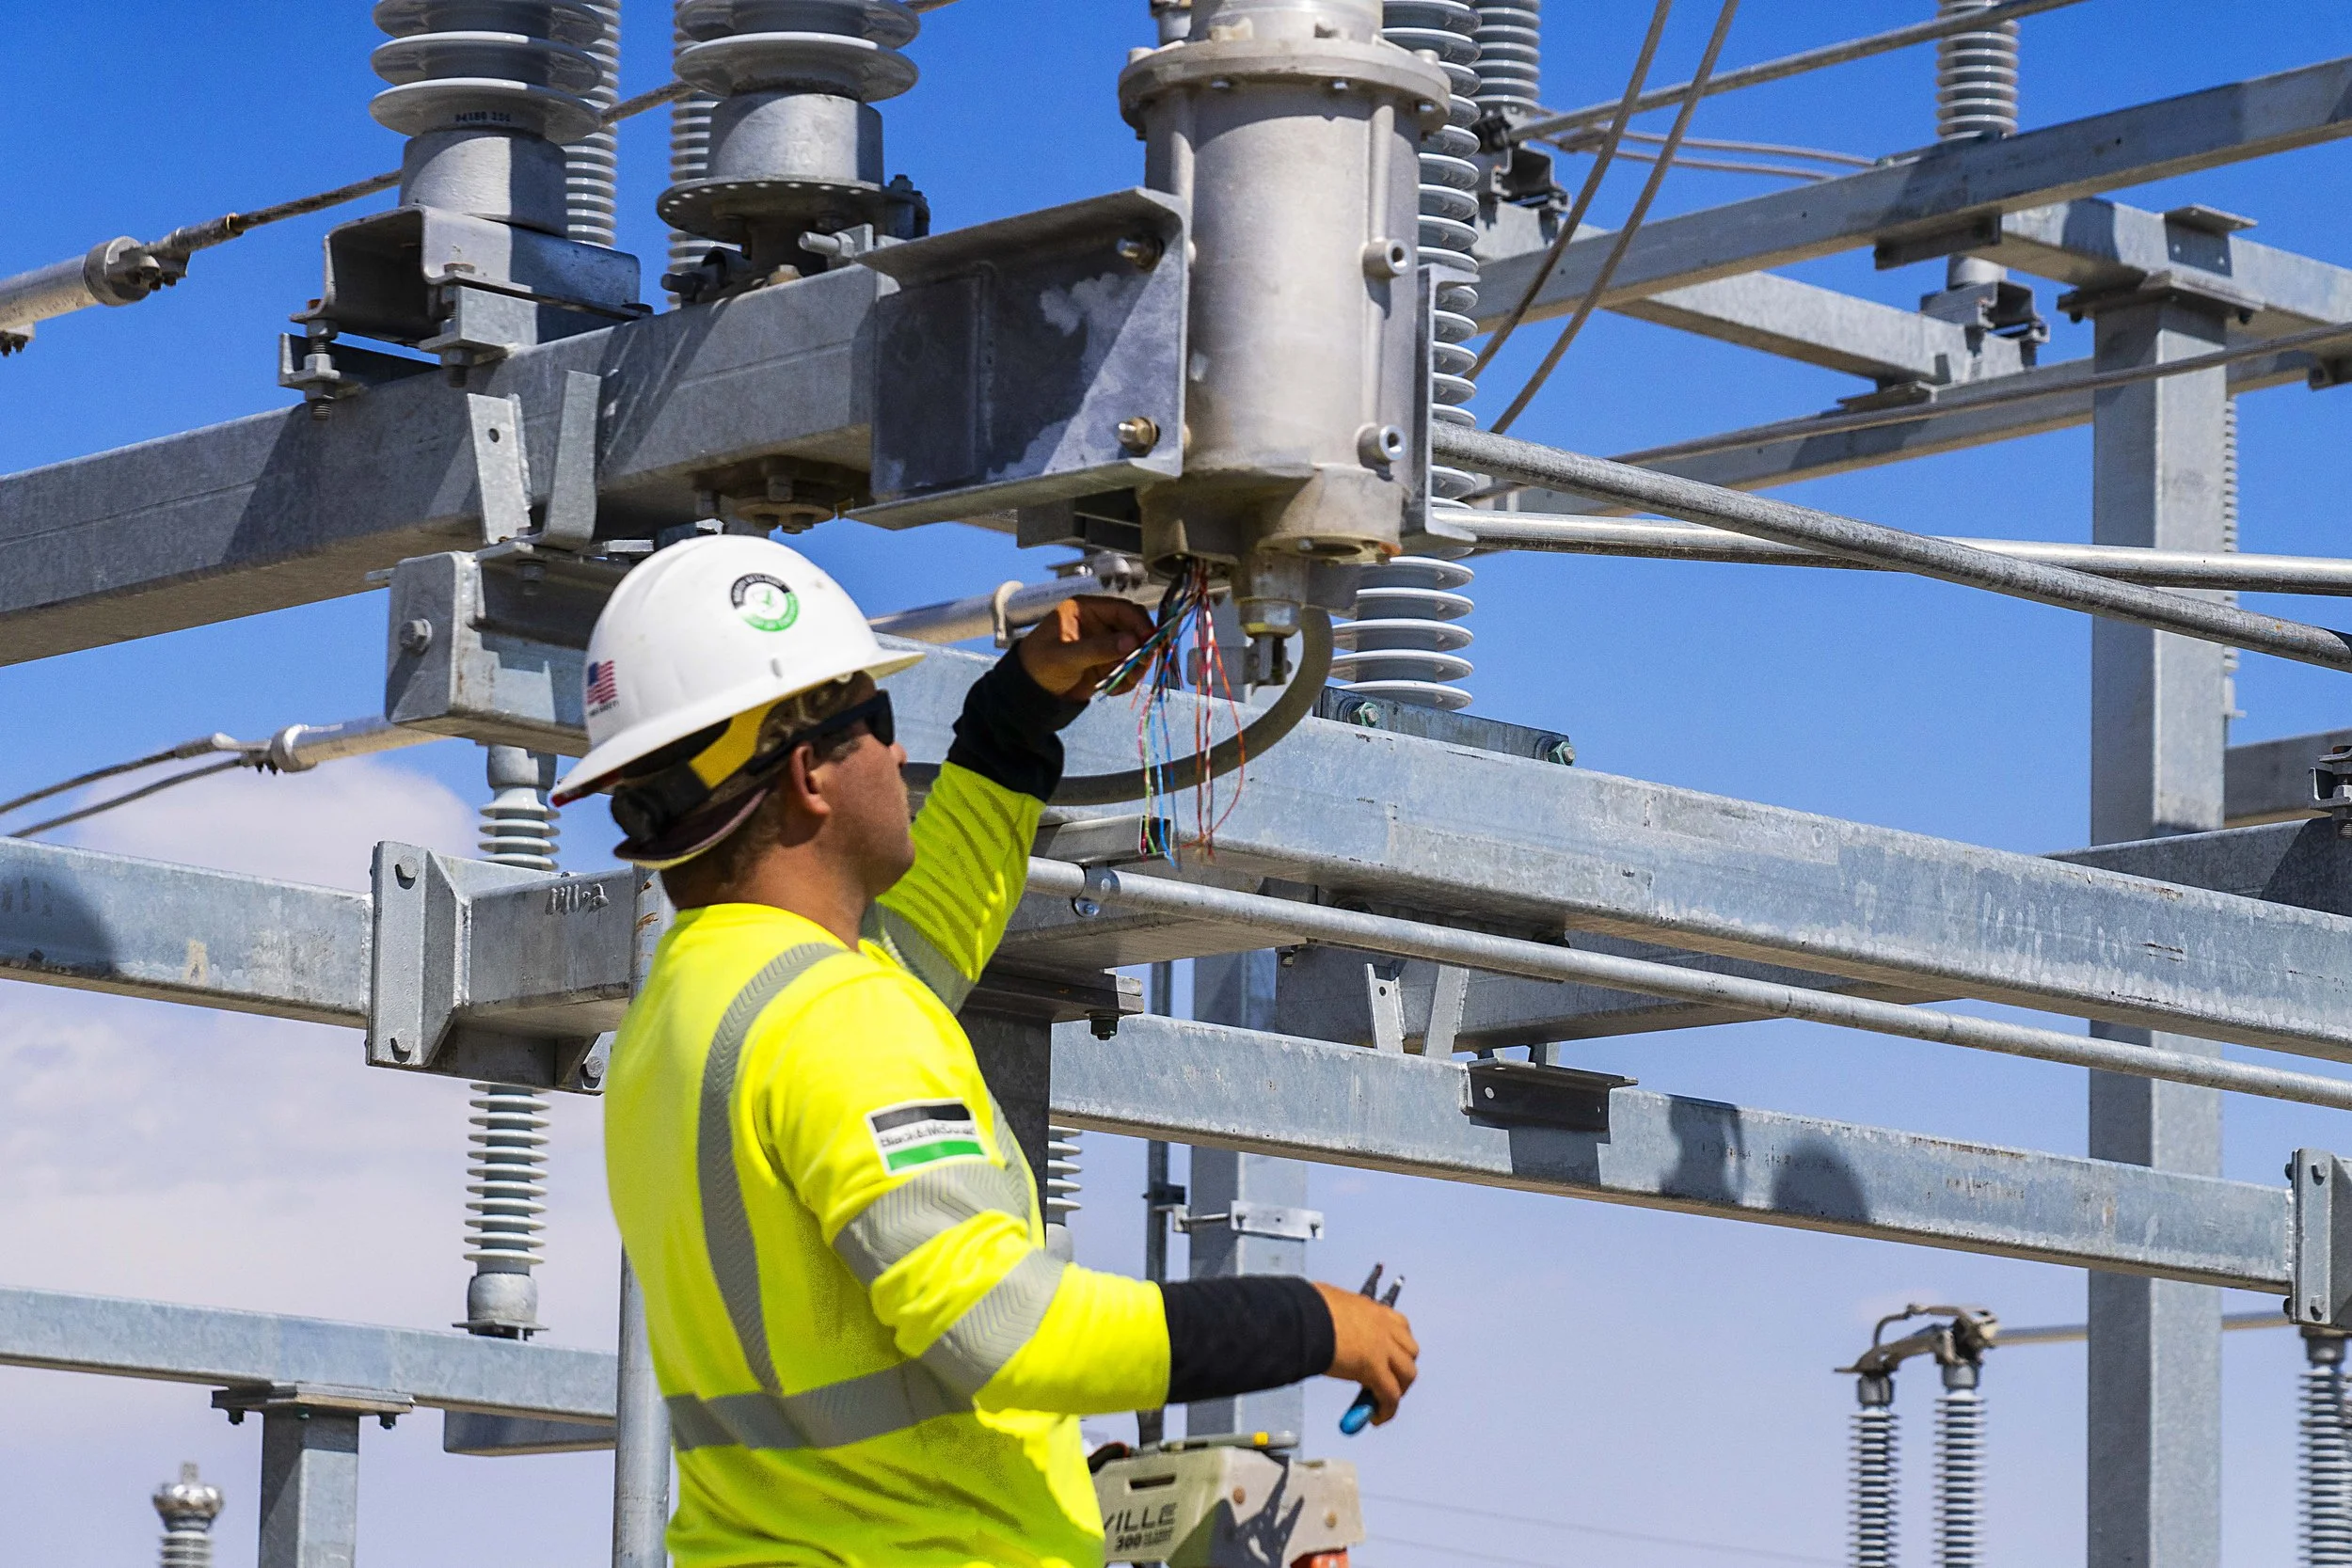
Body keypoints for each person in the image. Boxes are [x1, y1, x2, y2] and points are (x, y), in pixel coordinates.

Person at [555, 536, 1419, 1568]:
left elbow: (926, 936)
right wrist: (1310, 1320)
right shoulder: (832, 1017)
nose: (892, 751)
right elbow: (1007, 1329)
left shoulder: (691, 1009)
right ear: (807, 774)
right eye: (875, 721)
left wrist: (1019, 709)